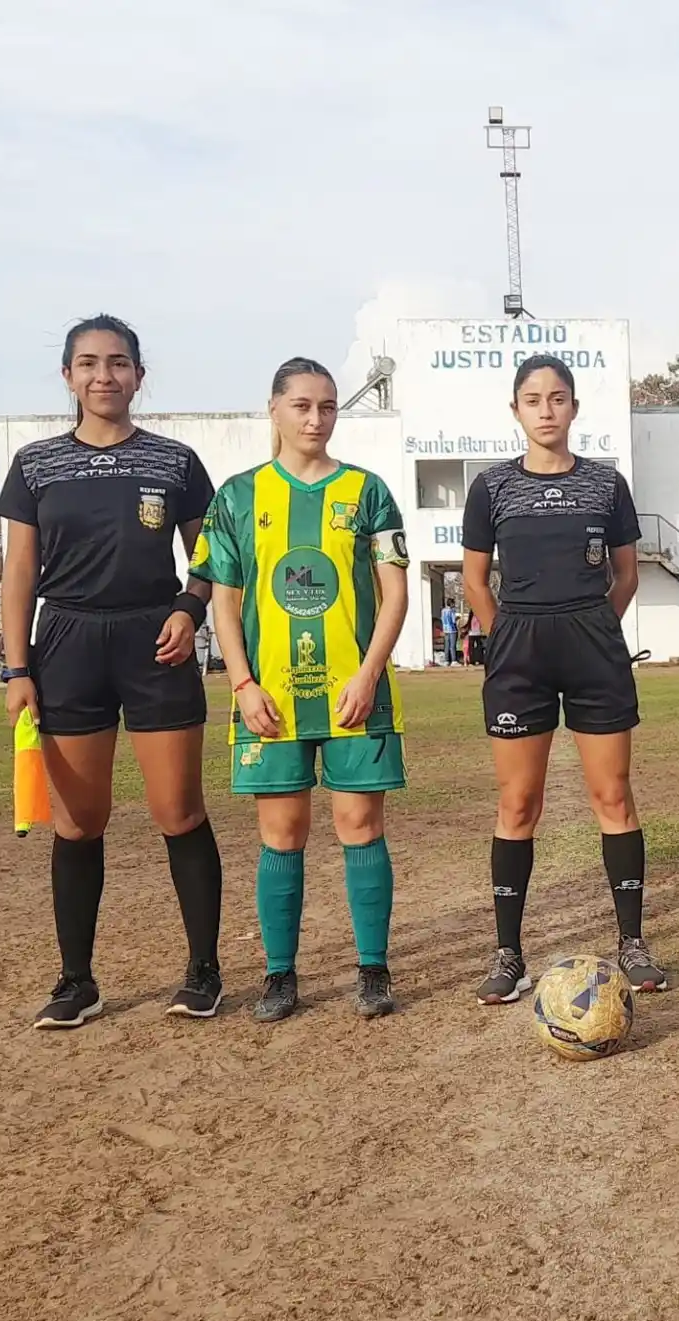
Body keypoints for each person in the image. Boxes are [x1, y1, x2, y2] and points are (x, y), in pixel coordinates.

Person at [0, 314, 223, 1029]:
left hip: (154, 639)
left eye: (119, 363)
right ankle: (76, 982)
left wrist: (189, 610)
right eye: (89, 363)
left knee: (177, 811)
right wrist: (15, 668)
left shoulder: (175, 462)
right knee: (78, 820)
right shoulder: (36, 464)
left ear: (138, 376)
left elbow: (211, 555)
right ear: (68, 376)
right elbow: (20, 571)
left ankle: (203, 972)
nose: (105, 375)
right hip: (65, 642)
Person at [190, 358, 410, 1023]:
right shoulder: (236, 497)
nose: (316, 419)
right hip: (271, 701)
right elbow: (223, 603)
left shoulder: (367, 492)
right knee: (281, 834)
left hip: (356, 695)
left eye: (328, 407)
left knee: (360, 826)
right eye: (302, 406)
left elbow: (395, 593)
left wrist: (369, 674)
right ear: (275, 409)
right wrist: (243, 683)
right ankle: (280, 975)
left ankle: (373, 969)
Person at [462, 354, 666, 1004]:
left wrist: (595, 629)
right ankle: (508, 953)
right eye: (532, 399)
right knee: (518, 804)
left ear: (574, 407)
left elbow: (627, 574)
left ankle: (632, 942)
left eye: (557, 398)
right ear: (516, 410)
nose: (546, 410)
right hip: (518, 647)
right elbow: (473, 579)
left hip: (592, 646)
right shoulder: (491, 488)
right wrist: (505, 635)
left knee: (614, 797)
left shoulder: (606, 485)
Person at [440, 599, 459, 665]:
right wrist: (457, 618)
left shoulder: (443, 611)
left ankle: (446, 660)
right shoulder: (452, 611)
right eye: (453, 603)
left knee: (447, 645)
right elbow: (453, 620)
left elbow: (442, 619)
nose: (454, 605)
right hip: (452, 629)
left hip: (445, 629)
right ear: (451, 604)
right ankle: (454, 660)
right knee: (452, 645)